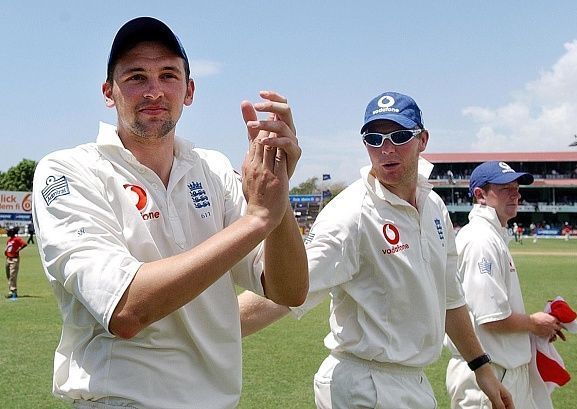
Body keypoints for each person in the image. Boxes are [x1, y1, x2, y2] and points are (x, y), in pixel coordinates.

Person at [32, 17, 308, 409]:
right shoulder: (70, 171)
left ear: (189, 90)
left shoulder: (212, 169)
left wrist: (277, 197)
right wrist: (258, 218)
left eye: (168, 75)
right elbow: (127, 309)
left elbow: (288, 290)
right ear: (108, 92)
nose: (154, 91)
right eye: (136, 77)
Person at [239, 92, 514, 409]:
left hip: (414, 382)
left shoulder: (434, 206)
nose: (386, 149)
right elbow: (282, 293)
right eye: (374, 138)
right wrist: (199, 331)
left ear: (422, 139)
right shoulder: (351, 215)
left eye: (399, 136)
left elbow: (449, 296)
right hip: (363, 386)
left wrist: (480, 366)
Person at [445, 161, 564, 408]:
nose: (516, 194)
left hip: (504, 369)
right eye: (505, 188)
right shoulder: (481, 240)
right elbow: (492, 318)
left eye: (517, 187)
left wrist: (534, 328)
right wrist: (534, 323)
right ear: (480, 195)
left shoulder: (492, 236)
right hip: (489, 373)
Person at [5, 226, 27, 299]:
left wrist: (18, 250)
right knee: (9, 276)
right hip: (8, 259)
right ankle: (11, 290)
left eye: (9, 231)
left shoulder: (16, 239)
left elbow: (24, 244)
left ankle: (14, 292)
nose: (7, 232)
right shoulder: (9, 240)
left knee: (12, 276)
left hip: (14, 259)